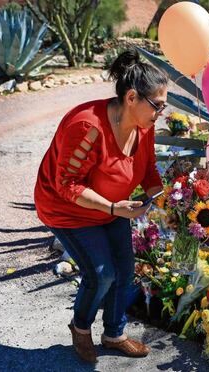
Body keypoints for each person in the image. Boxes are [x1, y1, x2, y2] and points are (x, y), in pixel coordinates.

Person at [34, 50, 168, 363]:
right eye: (157, 104)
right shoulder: (87, 126)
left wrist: (168, 200)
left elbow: (148, 171)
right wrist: (112, 208)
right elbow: (67, 185)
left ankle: (114, 333)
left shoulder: (144, 127)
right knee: (101, 274)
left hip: (113, 207)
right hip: (68, 209)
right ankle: (81, 329)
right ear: (132, 97)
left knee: (125, 269)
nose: (161, 111)